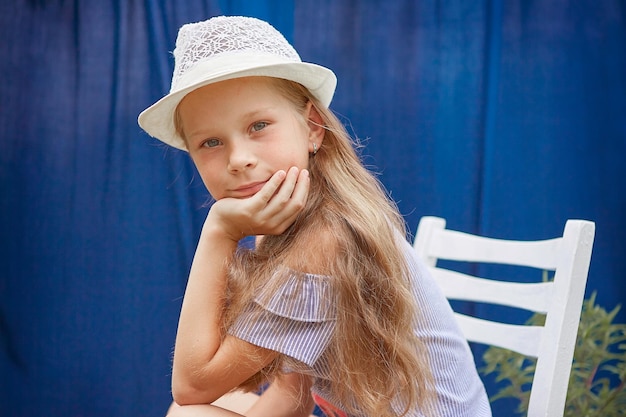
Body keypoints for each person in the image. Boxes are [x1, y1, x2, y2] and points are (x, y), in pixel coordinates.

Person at [138, 15, 492, 417]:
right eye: (211, 142)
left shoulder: (325, 238)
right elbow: (294, 396)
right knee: (213, 404)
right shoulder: (283, 227)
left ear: (313, 127)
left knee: (192, 412)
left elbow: (191, 385)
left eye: (258, 126)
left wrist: (218, 231)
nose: (239, 160)